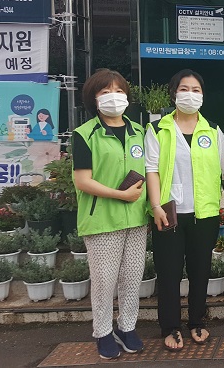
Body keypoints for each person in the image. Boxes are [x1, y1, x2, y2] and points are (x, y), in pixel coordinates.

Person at [145, 69, 224, 351]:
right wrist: (155, 205)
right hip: (168, 212)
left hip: (204, 214)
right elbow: (151, 170)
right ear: (174, 93)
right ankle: (170, 326)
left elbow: (219, 170)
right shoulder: (158, 129)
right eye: (184, 88)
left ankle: (197, 322)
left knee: (200, 270)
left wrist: (219, 205)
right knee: (168, 273)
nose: (190, 94)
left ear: (202, 96)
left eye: (196, 90)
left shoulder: (213, 130)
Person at [72, 69, 147, 360]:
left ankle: (127, 327)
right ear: (94, 98)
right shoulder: (85, 134)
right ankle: (102, 331)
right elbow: (83, 181)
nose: (113, 97)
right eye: (105, 92)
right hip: (102, 219)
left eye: (118, 91)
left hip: (136, 218)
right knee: (104, 280)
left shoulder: (138, 131)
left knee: (132, 277)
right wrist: (121, 195)